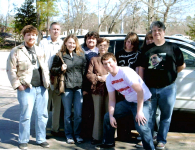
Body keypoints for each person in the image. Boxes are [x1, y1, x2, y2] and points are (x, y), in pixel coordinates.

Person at [139, 21, 186, 149]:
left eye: (159, 30)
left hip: (168, 89)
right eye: (154, 30)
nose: (156, 32)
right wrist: (142, 87)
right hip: (150, 88)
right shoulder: (147, 49)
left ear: (164, 31)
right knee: (149, 117)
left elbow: (182, 65)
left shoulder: (173, 48)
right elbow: (141, 68)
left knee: (166, 117)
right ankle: (148, 140)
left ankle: (161, 140)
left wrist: (171, 75)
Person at [95, 53, 155, 150]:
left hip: (143, 101)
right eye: (105, 64)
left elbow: (140, 91)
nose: (108, 66)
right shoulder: (109, 79)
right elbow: (111, 100)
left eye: (110, 63)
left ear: (115, 61)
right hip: (128, 102)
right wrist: (111, 116)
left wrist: (139, 112)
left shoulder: (125, 72)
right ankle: (108, 143)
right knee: (107, 117)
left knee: (142, 127)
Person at [6, 25, 50, 149]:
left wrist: (47, 83)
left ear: (37, 37)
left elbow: (45, 67)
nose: (31, 37)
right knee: (26, 115)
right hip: (26, 88)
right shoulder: (16, 50)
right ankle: (23, 140)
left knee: (43, 115)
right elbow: (11, 70)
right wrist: (17, 85)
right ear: (24, 36)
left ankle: (41, 139)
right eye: (29, 34)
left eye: (34, 35)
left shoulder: (40, 50)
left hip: (41, 87)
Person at [51, 34, 86, 144]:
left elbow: (84, 72)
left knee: (78, 114)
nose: (71, 44)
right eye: (69, 42)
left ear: (76, 44)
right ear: (65, 43)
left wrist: (85, 87)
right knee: (67, 114)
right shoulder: (60, 55)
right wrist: (60, 68)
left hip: (78, 88)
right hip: (66, 88)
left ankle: (77, 134)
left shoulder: (81, 55)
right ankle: (69, 135)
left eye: (73, 43)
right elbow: (53, 70)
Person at [39, 22, 63, 136]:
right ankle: (43, 131)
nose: (56, 31)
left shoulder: (62, 43)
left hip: (58, 79)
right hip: (46, 78)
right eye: (54, 29)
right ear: (49, 30)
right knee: (45, 107)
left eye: (58, 29)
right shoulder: (43, 43)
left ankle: (55, 129)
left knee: (57, 106)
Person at [86, 38, 110, 145]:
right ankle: (97, 137)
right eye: (100, 45)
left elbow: (117, 71)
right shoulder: (94, 59)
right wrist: (98, 78)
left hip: (110, 90)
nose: (102, 47)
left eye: (104, 45)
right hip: (97, 90)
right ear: (98, 47)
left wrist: (108, 77)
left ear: (108, 46)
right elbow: (88, 74)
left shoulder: (112, 58)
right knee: (98, 114)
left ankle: (109, 138)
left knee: (109, 114)